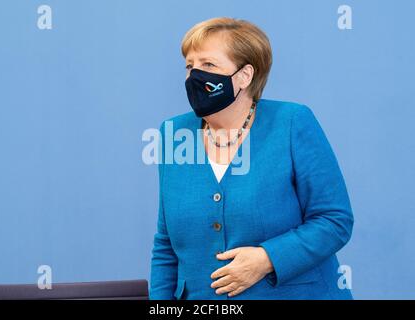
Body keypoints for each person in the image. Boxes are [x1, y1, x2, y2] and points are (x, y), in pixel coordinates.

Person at [149, 17, 354, 300]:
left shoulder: (292, 122)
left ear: (244, 76)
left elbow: (334, 220)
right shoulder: (173, 134)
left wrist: (267, 258)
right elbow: (165, 244)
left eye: (208, 65)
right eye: (189, 66)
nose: (195, 76)